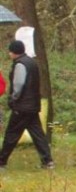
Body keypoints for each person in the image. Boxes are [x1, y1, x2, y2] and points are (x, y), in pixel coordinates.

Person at [0, 40, 54, 171]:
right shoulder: (32, 62)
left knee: (11, 134)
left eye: (10, 51)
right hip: (33, 105)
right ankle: (48, 161)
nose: (9, 53)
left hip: (22, 106)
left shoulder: (20, 65)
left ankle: (1, 161)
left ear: (14, 52)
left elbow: (18, 85)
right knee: (38, 135)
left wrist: (13, 98)